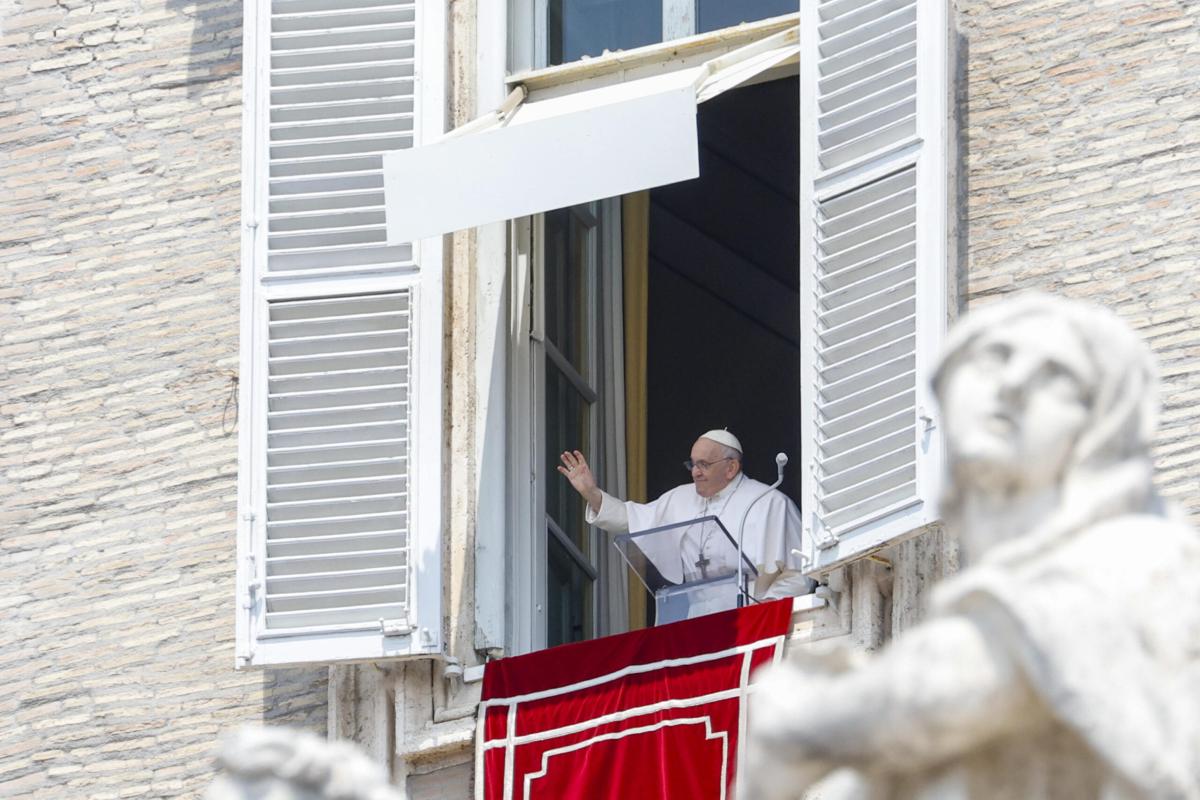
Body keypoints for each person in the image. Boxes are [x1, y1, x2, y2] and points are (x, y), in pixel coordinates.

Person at [742, 294, 1200, 800]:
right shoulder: (1032, 560)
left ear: (1104, 421)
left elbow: (958, 686)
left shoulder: (1129, 552)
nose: (1010, 386)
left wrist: (804, 719)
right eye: (992, 360)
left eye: (1054, 374)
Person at [557, 429, 812, 618]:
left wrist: (767, 609)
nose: (695, 472)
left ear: (731, 467)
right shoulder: (679, 498)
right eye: (692, 463)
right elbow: (630, 519)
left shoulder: (769, 503)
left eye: (704, 465)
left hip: (752, 624)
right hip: (695, 624)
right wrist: (591, 493)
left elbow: (801, 574)